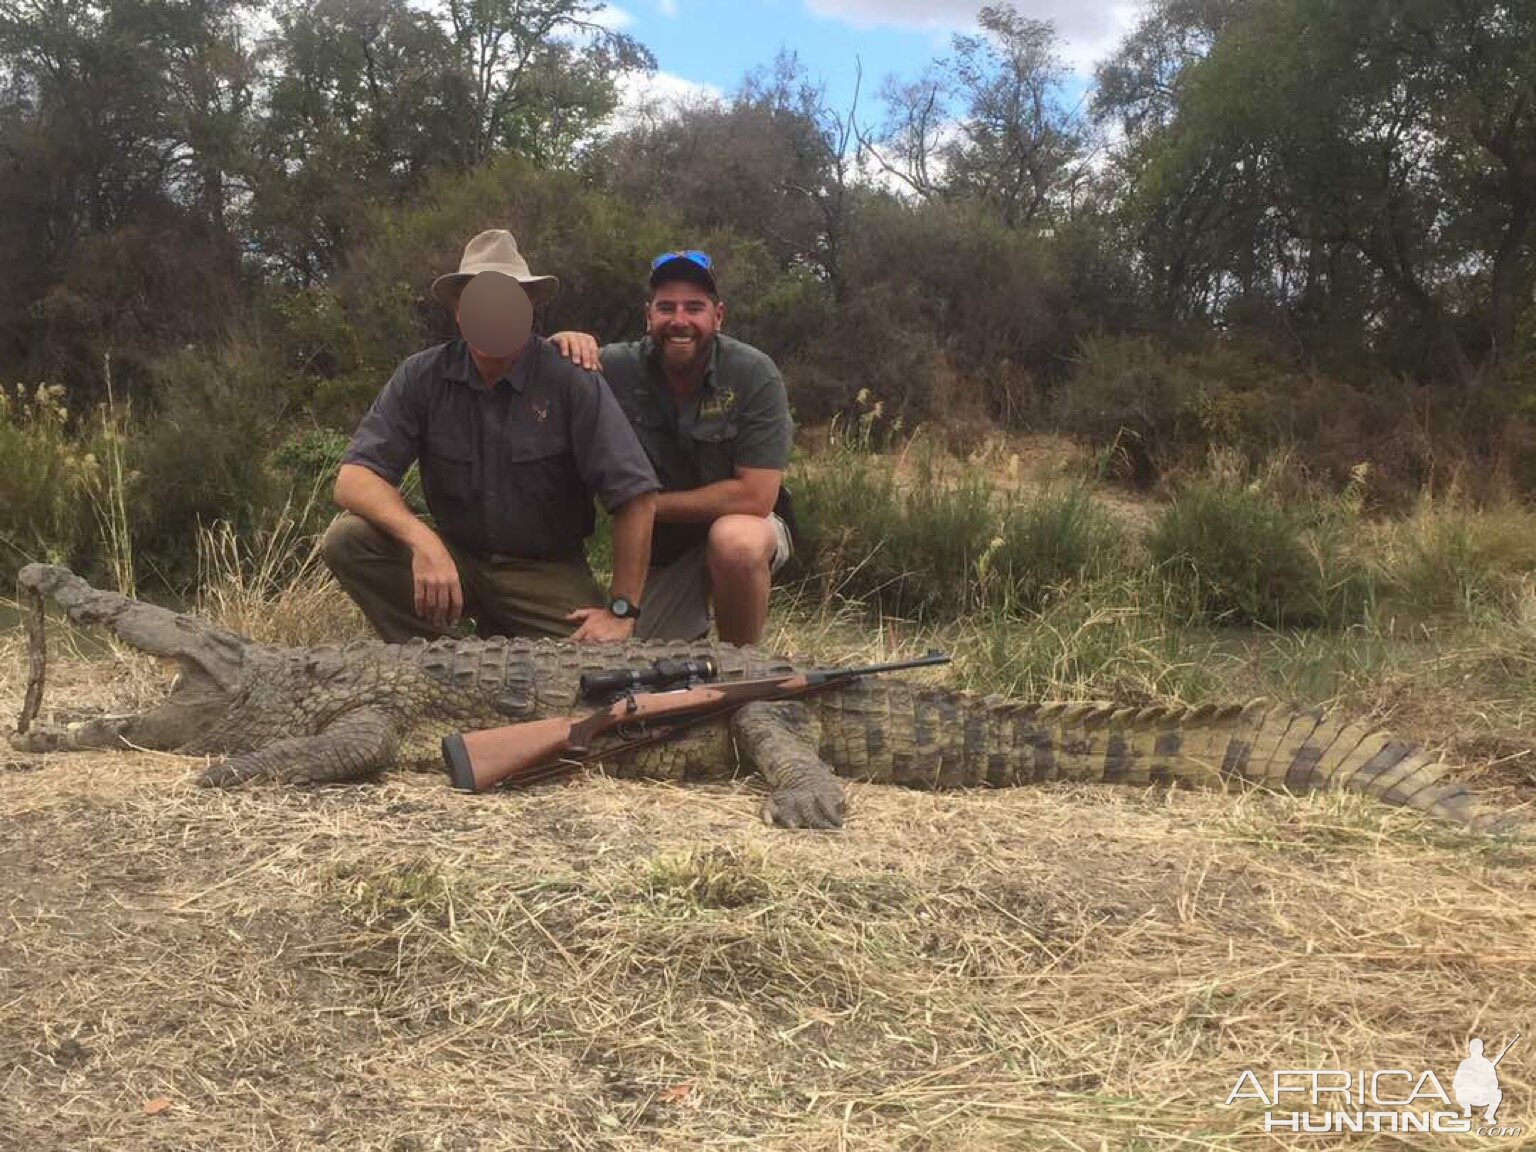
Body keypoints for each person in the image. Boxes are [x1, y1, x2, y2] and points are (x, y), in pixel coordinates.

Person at [322, 229, 658, 645]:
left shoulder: (570, 378)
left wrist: (621, 610)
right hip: (457, 557)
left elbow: (635, 496)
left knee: (600, 665)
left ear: (529, 309)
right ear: (459, 312)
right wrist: (423, 540)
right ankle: (435, 657)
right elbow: (354, 478)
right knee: (347, 540)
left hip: (544, 571)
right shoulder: (421, 375)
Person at [550, 250, 794, 645]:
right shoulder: (615, 366)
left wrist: (642, 507)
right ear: (649, 316)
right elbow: (543, 376)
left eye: (694, 308)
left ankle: (743, 670)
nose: (679, 321)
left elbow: (757, 495)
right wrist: (562, 342)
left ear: (718, 316)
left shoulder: (754, 373)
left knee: (735, 543)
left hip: (746, 526)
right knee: (629, 650)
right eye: (667, 308)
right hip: (660, 553)